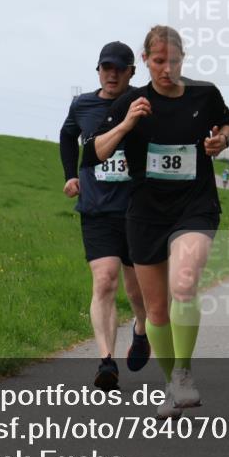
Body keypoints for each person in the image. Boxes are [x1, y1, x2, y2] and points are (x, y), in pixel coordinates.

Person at [82, 25, 229, 419]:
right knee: (155, 312)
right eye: (158, 61)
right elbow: (94, 153)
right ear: (146, 61)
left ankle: (183, 374)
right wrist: (127, 123)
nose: (167, 68)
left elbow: (226, 121)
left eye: (174, 60)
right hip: (146, 213)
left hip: (194, 205)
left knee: (184, 282)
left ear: (184, 59)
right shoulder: (132, 102)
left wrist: (221, 138)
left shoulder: (205, 94)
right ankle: (174, 383)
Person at [60, 41, 149, 392]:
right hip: (97, 209)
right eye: (105, 68)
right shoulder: (82, 105)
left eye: (119, 69)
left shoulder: (143, 102)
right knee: (105, 280)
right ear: (98, 70)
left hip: (137, 209)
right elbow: (68, 136)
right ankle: (107, 361)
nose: (112, 74)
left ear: (131, 72)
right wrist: (70, 174)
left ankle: (141, 330)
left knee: (137, 289)